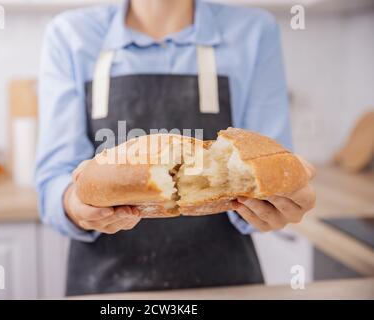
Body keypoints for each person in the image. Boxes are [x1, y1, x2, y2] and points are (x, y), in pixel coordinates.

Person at [36, 0, 316, 296]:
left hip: (224, 283)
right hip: (105, 287)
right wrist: (74, 205)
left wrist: (275, 203)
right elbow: (53, 179)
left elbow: (269, 166)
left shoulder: (254, 31)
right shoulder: (70, 34)